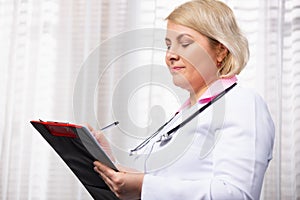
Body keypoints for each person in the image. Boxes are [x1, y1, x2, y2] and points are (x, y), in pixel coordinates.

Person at [92, 0, 275, 199]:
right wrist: (108, 163)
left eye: (185, 44)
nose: (170, 55)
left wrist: (144, 187)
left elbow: (237, 195)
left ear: (221, 51)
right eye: (168, 45)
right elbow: (164, 179)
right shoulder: (187, 112)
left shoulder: (242, 103)